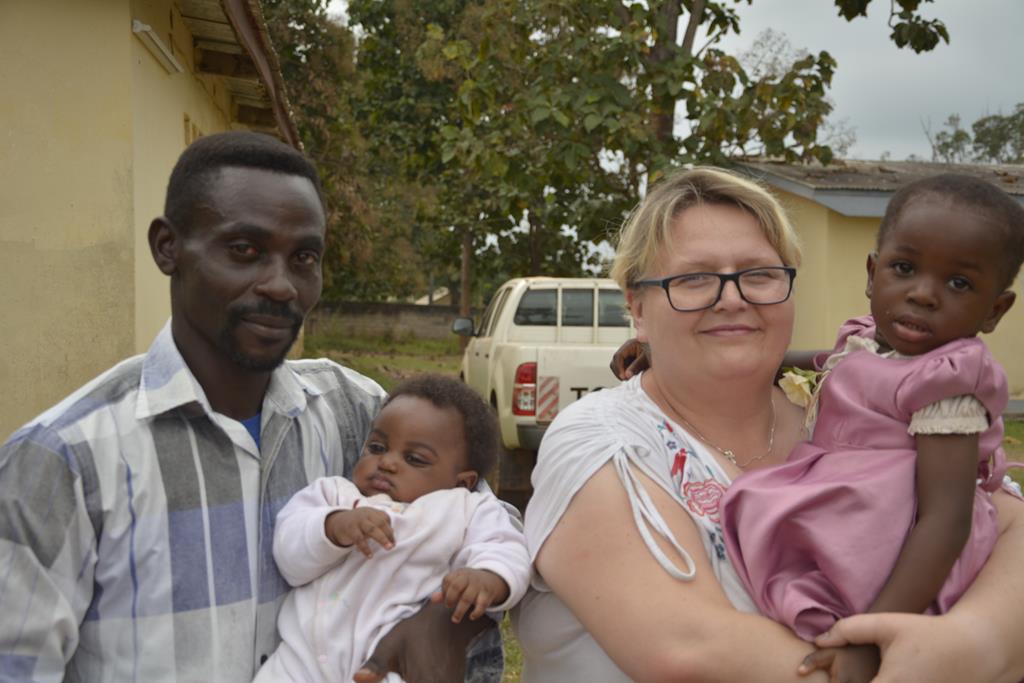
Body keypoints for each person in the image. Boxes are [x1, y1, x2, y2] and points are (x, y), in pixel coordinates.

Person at [0, 132, 502, 683]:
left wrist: (441, 619)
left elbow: (476, 512)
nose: (282, 285)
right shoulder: (64, 460)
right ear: (168, 248)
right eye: (245, 251)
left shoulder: (354, 413)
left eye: (304, 257)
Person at [514, 166, 1024, 683]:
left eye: (758, 275)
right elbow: (688, 649)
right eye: (693, 279)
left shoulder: (843, 414)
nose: (732, 298)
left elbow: (1001, 519)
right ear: (637, 308)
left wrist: (971, 642)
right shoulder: (601, 441)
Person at [255, 375, 530, 683]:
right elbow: (289, 555)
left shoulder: (465, 509)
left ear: (462, 481)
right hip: (300, 664)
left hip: (392, 663)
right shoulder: (335, 495)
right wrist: (333, 527)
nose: (386, 462)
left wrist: (488, 577)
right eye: (376, 447)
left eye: (414, 459)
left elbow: (507, 548)